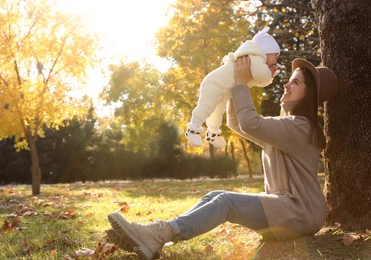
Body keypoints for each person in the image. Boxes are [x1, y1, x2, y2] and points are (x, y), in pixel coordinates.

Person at [106, 57, 338, 260]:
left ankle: (158, 234)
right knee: (215, 196)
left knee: (226, 202)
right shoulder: (288, 127)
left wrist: (240, 82)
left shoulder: (299, 127)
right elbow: (238, 124)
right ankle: (156, 236)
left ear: (308, 95)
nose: (286, 84)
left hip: (299, 212)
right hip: (290, 209)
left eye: (295, 82)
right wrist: (236, 82)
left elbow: (250, 122)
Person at [185, 28, 280, 148]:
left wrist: (270, 76)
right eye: (275, 56)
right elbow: (261, 75)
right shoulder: (256, 55)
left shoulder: (255, 61)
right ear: (266, 51)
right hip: (214, 83)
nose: (276, 60)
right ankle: (193, 128)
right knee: (206, 107)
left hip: (224, 89)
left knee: (217, 111)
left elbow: (258, 80)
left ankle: (212, 134)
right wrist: (268, 73)